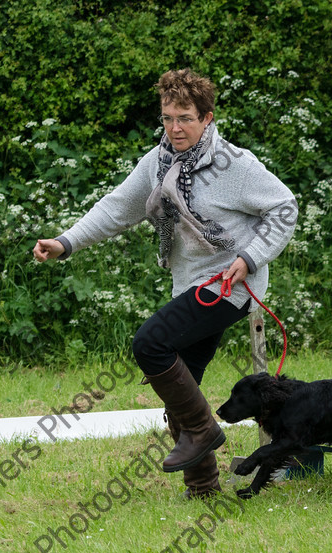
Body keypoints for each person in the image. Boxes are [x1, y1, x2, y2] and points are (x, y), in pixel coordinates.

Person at [33, 68, 297, 498]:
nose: (175, 128)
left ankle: (204, 428)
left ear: (207, 118)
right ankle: (203, 488)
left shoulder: (235, 164)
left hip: (230, 287)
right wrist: (65, 242)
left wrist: (250, 259)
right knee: (182, 394)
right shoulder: (158, 163)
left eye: (186, 118)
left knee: (150, 343)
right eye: (168, 117)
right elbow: (117, 208)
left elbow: (284, 208)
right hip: (188, 286)